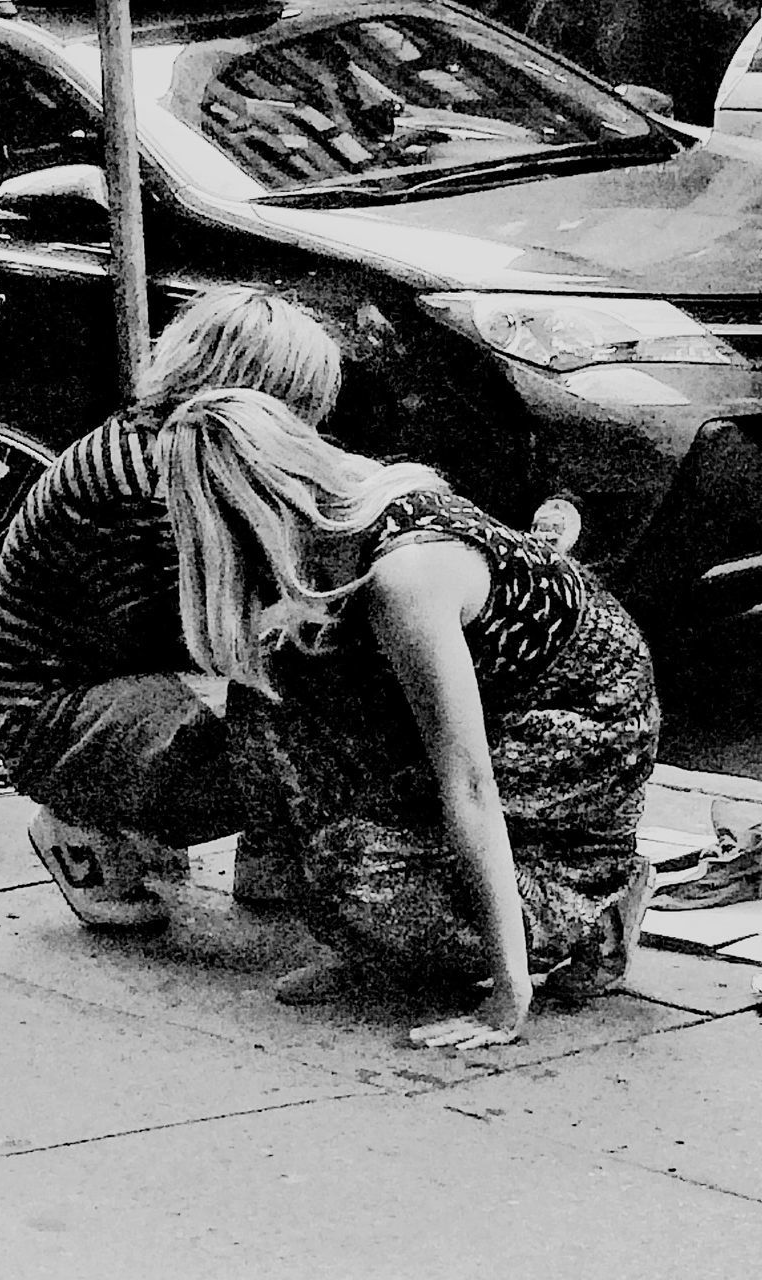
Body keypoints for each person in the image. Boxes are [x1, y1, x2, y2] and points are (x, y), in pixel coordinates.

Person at [153, 387, 661, 1050]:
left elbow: (469, 781)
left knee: (355, 877)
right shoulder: (334, 512)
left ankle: (593, 909)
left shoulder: (407, 575)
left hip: (584, 712)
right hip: (507, 689)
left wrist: (507, 996)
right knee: (265, 695)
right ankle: (373, 942)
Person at [0, 286, 341, 931]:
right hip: (54, 716)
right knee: (293, 730)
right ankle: (78, 822)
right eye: (297, 414)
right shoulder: (140, 482)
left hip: (95, 691)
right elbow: (185, 631)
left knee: (289, 697)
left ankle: (269, 846)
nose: (306, 436)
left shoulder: (163, 449)